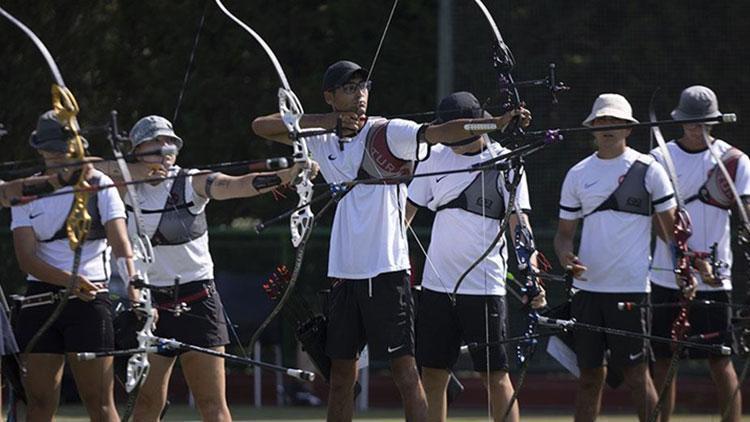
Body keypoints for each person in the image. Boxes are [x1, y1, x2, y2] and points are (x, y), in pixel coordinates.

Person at [252, 60, 531, 422]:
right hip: (344, 274)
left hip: (387, 273)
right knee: (340, 378)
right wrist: (327, 122)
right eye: (350, 89)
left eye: (363, 86)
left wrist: (492, 124)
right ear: (330, 97)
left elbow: (443, 132)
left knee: (406, 374)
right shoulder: (321, 139)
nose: (360, 95)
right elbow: (261, 126)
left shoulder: (388, 133)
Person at [96, 114, 317, 422]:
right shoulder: (123, 188)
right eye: (155, 143)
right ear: (136, 150)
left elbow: (235, 185)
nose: (165, 149)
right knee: (147, 405)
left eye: (170, 143)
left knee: (211, 405)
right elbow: (85, 170)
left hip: (197, 301)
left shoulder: (191, 181)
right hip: (151, 306)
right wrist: (136, 171)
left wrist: (288, 174)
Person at [405, 91, 544, 422]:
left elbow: (519, 223)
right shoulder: (434, 157)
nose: (450, 138)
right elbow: (404, 216)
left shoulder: (507, 161)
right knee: (433, 375)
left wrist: (532, 272)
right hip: (437, 287)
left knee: (495, 377)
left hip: (484, 287)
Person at [553, 94, 676, 421]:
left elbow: (670, 234)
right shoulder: (578, 174)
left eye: (615, 122)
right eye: (601, 122)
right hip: (588, 293)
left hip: (631, 291)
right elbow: (564, 235)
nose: (607, 128)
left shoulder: (651, 170)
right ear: (592, 128)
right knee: (590, 377)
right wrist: (567, 258)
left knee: (637, 374)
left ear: (628, 129)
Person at [11, 110, 137, 422]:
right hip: (41, 300)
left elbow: (121, 243)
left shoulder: (100, 184)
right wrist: (69, 281)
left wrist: (135, 290)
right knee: (39, 402)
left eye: (62, 149)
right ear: (39, 149)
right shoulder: (25, 191)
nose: (56, 156)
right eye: (50, 149)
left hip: (90, 300)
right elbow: (27, 257)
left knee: (100, 403)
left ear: (76, 147)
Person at [649, 85, 749, 422]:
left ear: (715, 122)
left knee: (720, 359)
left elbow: (746, 214)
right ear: (680, 121)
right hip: (665, 274)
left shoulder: (735, 161)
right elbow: (655, 222)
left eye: (705, 123)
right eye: (692, 123)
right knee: (664, 359)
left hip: (715, 279)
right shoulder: (660, 158)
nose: (698, 129)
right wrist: (686, 259)